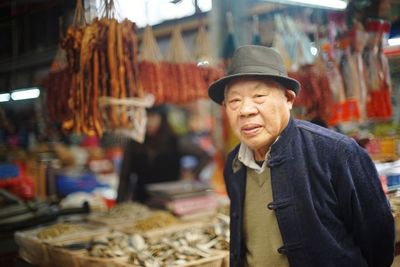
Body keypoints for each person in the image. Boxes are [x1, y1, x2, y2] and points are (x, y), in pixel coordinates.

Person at [207, 45, 394, 267]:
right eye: (234, 101)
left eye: (259, 96)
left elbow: (378, 243)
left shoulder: (337, 152)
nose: (246, 110)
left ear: (288, 98)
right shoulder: (234, 164)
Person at [117, 105, 181, 203]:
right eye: (146, 117)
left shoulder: (174, 141)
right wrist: (119, 202)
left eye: (154, 117)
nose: (149, 122)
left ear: (162, 119)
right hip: (142, 199)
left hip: (169, 201)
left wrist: (190, 175)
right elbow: (125, 176)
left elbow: (203, 156)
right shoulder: (134, 143)